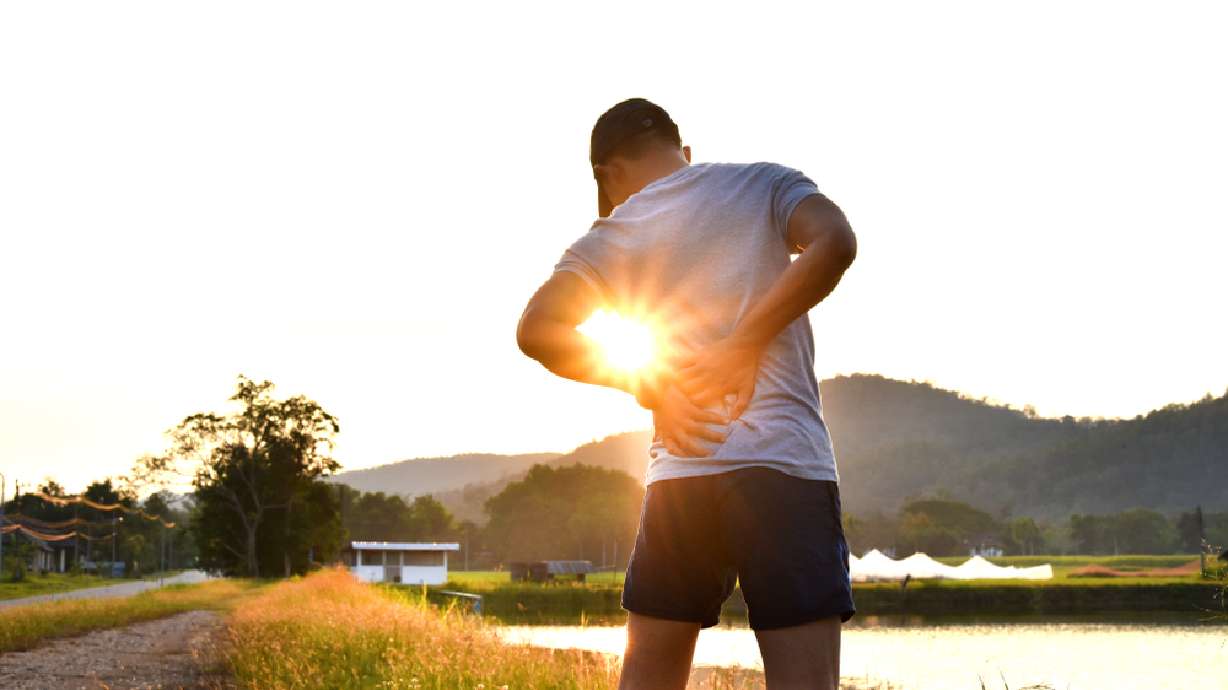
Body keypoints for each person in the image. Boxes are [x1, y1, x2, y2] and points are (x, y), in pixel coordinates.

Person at [516, 97, 858, 690]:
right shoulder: (764, 183)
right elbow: (835, 241)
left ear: (608, 174)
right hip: (781, 466)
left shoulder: (614, 230)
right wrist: (743, 343)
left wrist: (653, 386)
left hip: (682, 471)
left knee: (649, 676)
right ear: (685, 152)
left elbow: (537, 331)